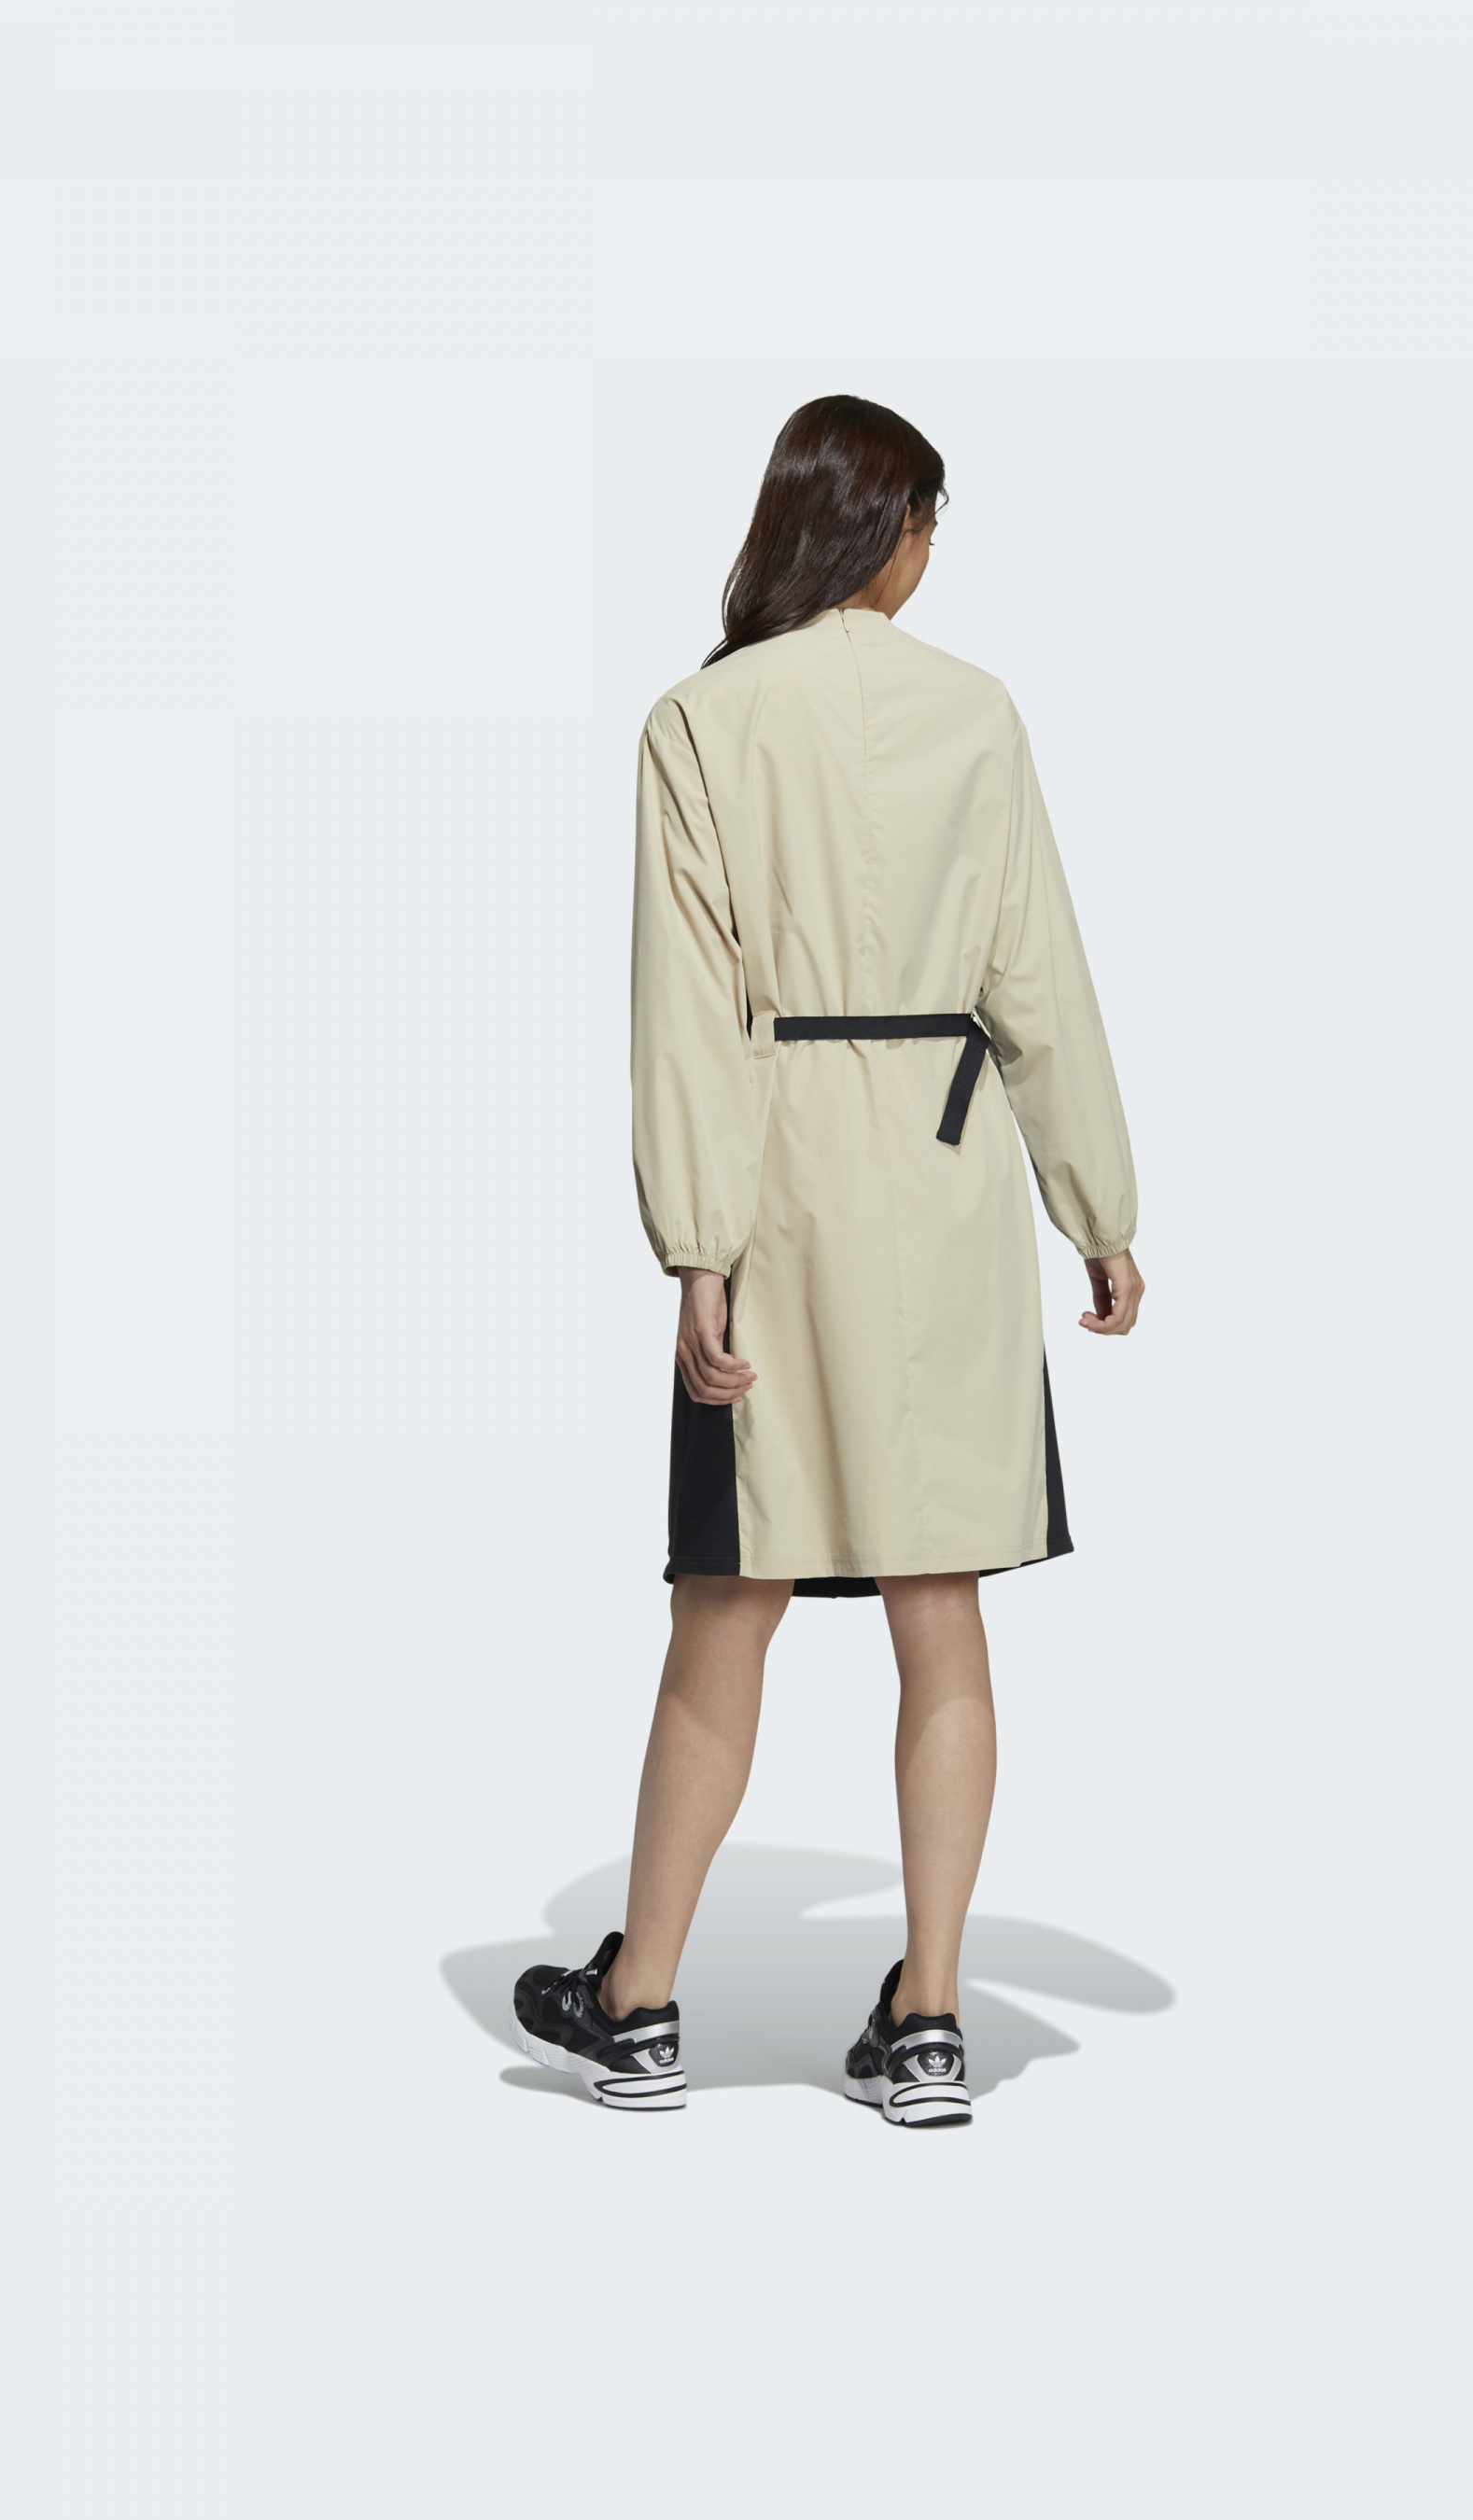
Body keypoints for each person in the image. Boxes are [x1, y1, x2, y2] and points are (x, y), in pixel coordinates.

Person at [513, 395, 1143, 2125]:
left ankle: (639, 2001)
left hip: (779, 1194)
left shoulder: (703, 720)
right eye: (931, 520)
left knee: (730, 1601)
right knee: (940, 1607)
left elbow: (684, 1013)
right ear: (888, 526)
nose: (934, 552)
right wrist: (1097, 1206)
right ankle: (929, 2020)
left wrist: (694, 1251)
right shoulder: (976, 711)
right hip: (945, 1194)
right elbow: (1037, 977)